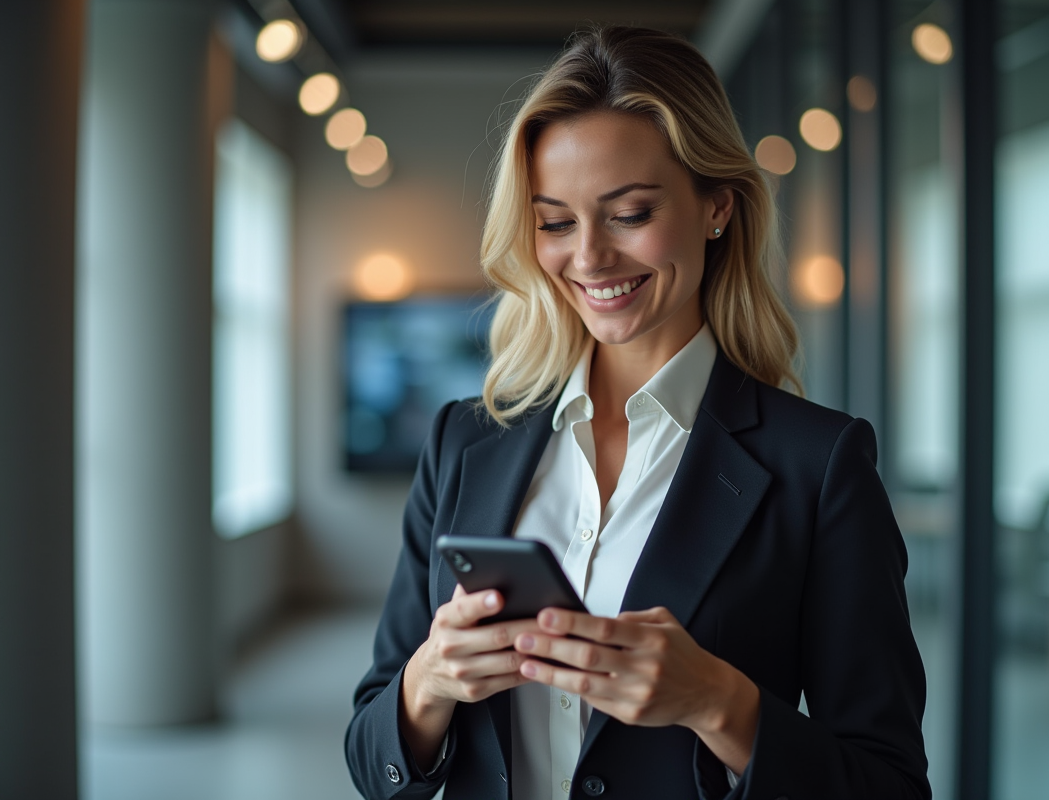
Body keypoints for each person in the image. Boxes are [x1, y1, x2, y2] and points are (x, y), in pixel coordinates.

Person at [346, 25, 930, 800]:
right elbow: (371, 757)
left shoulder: (818, 468)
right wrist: (428, 682)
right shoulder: (463, 441)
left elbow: (888, 783)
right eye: (555, 221)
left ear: (717, 206)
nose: (588, 258)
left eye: (628, 213)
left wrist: (720, 703)